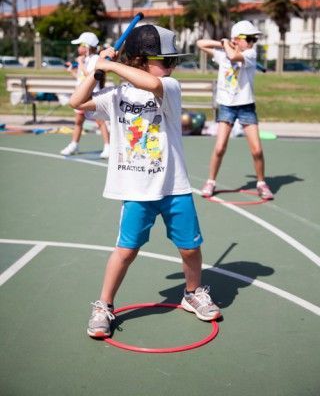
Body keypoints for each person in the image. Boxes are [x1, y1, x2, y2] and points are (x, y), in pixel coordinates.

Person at [69, 24, 221, 338]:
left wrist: (111, 64)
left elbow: (151, 81)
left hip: (173, 186)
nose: (172, 67)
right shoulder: (116, 95)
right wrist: (96, 71)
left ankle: (192, 293)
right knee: (126, 250)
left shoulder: (169, 87)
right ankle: (104, 305)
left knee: (190, 249)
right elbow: (77, 102)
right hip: (136, 190)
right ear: (141, 58)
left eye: (172, 62)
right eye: (167, 61)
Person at [197, 20, 274, 200]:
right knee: (219, 147)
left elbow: (233, 57)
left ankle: (261, 183)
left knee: (257, 150)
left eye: (254, 39)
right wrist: (223, 42)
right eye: (249, 39)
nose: (252, 42)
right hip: (227, 107)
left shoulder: (250, 54)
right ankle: (210, 181)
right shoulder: (222, 53)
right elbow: (200, 44)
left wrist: (228, 46)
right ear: (238, 39)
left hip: (246, 106)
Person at [60, 32, 110, 158]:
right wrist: (72, 71)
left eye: (80, 45)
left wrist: (81, 64)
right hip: (81, 97)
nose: (78, 48)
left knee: (100, 122)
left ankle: (108, 146)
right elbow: (81, 77)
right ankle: (74, 144)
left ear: (87, 46)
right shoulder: (86, 59)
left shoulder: (94, 59)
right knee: (78, 121)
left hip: (93, 96)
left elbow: (92, 76)